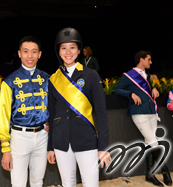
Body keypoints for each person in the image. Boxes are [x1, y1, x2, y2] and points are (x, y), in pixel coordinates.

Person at [47, 27, 111, 187]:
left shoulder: (91, 75)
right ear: (58, 51)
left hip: (86, 141)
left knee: (91, 183)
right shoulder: (53, 79)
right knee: (67, 183)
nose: (68, 52)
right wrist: (50, 147)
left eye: (72, 47)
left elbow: (101, 113)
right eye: (63, 48)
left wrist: (103, 147)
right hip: (60, 142)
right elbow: (52, 114)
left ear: (79, 50)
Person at [0, 35, 50, 187]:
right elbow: (3, 115)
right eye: (26, 51)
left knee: (37, 181)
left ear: (40, 54)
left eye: (34, 51)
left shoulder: (48, 79)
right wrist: (5, 148)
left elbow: (54, 106)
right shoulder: (9, 82)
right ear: (19, 53)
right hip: (19, 137)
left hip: (42, 136)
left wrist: (50, 122)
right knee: (18, 183)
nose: (30, 56)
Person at [113, 51, 172, 187]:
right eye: (149, 60)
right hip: (139, 112)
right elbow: (117, 89)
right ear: (141, 60)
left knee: (148, 143)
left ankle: (149, 175)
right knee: (154, 143)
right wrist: (130, 93)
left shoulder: (149, 76)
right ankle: (165, 172)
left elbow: (151, 87)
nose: (151, 62)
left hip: (151, 111)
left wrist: (155, 88)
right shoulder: (128, 75)